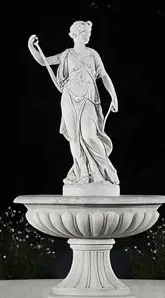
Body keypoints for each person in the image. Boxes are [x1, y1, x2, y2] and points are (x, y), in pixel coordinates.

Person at [28, 20, 119, 187]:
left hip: (88, 98)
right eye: (85, 33)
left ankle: (106, 168)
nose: (88, 36)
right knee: (74, 138)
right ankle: (83, 173)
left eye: (89, 34)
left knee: (90, 136)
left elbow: (104, 75)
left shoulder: (92, 54)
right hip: (69, 98)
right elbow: (43, 61)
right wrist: (31, 47)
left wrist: (113, 96)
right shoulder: (66, 54)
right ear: (75, 34)